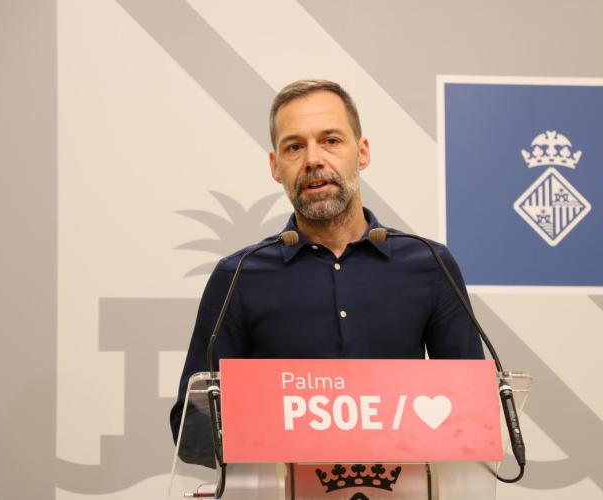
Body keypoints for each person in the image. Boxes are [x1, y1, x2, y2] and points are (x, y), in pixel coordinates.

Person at [170, 79, 484, 455]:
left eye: (331, 140)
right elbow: (193, 424)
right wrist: (286, 436)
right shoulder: (237, 275)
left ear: (362, 153)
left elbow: (473, 413)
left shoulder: (430, 264)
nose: (313, 159)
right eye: (294, 146)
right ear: (275, 166)